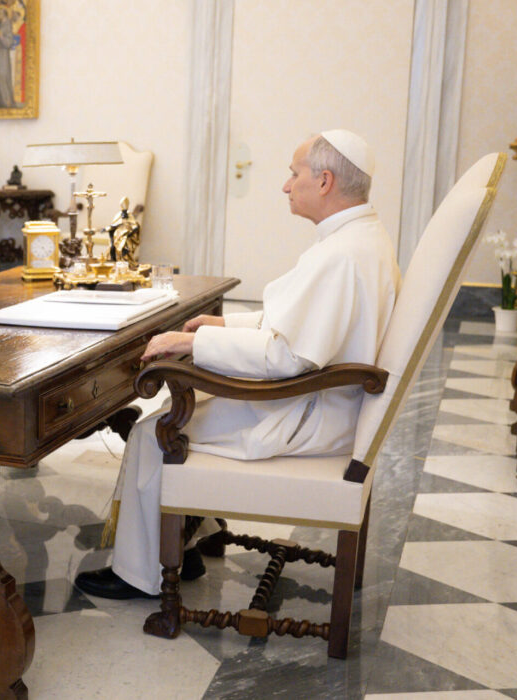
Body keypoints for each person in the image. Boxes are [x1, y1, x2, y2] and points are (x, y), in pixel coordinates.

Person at [75, 130, 401, 600]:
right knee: (186, 412)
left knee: (154, 434)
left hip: (308, 414)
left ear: (325, 180)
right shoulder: (359, 238)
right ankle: (183, 542)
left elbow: (286, 357)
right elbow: (296, 327)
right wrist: (223, 325)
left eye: (294, 174)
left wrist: (191, 344)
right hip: (325, 401)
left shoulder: (343, 254)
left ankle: (139, 575)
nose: (286, 186)